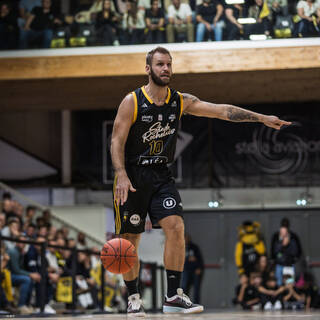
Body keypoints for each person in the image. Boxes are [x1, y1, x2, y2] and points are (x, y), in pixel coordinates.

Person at [110, 46, 291, 316]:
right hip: (133, 176)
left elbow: (221, 111)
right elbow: (116, 140)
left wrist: (261, 118)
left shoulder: (180, 101)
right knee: (129, 240)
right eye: (160, 64)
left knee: (176, 227)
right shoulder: (132, 101)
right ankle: (134, 298)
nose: (166, 69)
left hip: (161, 175)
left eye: (169, 64)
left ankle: (173, 296)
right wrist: (120, 173)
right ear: (148, 68)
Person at [181, 234, 204, 304]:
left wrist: (199, 268)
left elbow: (200, 259)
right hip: (185, 271)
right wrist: (188, 259)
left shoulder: (194, 247)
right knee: (184, 288)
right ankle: (184, 304)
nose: (186, 240)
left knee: (196, 289)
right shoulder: (180, 247)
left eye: (187, 238)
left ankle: (196, 304)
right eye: (184, 238)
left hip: (195, 271)